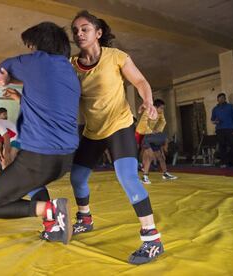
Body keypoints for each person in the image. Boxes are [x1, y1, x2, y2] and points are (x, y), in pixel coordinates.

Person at [69, 11, 163, 265]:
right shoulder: (70, 65)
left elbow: (141, 80)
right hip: (92, 131)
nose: (79, 34)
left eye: (85, 29)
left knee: (127, 177)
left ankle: (152, 239)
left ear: (98, 33)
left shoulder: (116, 57)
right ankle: (85, 219)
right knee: (77, 178)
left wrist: (148, 101)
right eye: (75, 30)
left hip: (119, 125)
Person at [0, 21, 80, 245]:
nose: (30, 51)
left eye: (31, 46)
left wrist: (7, 79)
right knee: (34, 183)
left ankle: (51, 209)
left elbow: (4, 65)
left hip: (39, 158)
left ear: (39, 45)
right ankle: (52, 225)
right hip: (64, 160)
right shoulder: (69, 72)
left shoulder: (39, 61)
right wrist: (17, 85)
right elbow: (44, 100)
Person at [137, 99, 177, 184]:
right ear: (155, 107)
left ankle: (165, 174)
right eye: (161, 108)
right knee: (150, 156)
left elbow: (163, 121)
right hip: (142, 134)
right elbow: (143, 125)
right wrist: (152, 131)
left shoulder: (160, 113)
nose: (162, 110)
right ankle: (145, 176)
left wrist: (157, 130)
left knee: (160, 157)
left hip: (152, 136)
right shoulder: (148, 112)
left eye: (163, 108)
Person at [211, 93, 233, 167]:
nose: (221, 99)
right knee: (222, 147)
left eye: (222, 98)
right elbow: (212, 120)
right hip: (219, 130)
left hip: (230, 129)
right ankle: (224, 162)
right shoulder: (215, 109)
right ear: (217, 100)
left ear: (225, 99)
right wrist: (215, 121)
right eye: (219, 98)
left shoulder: (231, 107)